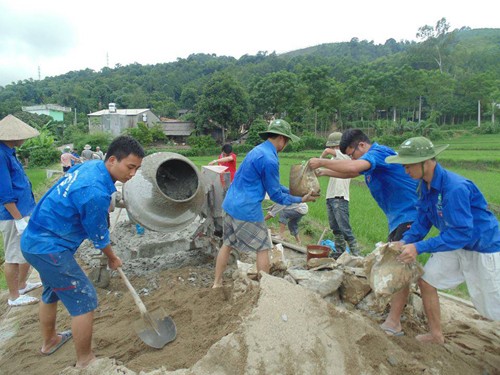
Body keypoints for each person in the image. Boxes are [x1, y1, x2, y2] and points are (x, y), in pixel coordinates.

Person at [21, 135, 145, 367]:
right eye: (130, 167)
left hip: (34, 240)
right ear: (111, 161)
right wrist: (113, 258)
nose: (132, 174)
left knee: (51, 292)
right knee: (85, 298)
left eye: (137, 168)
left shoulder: (90, 167)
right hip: (49, 248)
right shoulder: (95, 192)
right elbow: (98, 236)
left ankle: (50, 341)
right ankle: (85, 361)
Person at [384, 136, 500, 343]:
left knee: (494, 305)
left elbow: (462, 232)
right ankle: (436, 335)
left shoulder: (455, 188)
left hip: (482, 246)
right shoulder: (425, 186)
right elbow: (422, 220)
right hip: (456, 243)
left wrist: (419, 247)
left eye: (408, 166)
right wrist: (406, 241)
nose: (405, 171)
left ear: (426, 162)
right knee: (428, 280)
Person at [308, 129, 419, 336]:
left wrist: (322, 162)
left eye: (352, 153)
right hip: (399, 218)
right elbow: (352, 171)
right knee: (404, 265)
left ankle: (394, 322)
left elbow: (353, 166)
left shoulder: (378, 152)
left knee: (399, 265)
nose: (351, 158)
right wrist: (324, 172)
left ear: (361, 145)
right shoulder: (370, 160)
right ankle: (403, 311)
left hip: (410, 215)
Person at [212, 119, 317, 288]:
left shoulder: (257, 150)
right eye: (287, 141)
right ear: (282, 139)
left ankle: (216, 283)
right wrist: (300, 199)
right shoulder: (270, 159)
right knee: (263, 247)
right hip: (246, 209)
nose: (286, 145)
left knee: (227, 244)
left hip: (230, 204)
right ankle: (266, 290)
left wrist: (291, 191)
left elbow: (274, 186)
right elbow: (276, 195)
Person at [0, 115, 42, 307]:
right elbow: (5, 191)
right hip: (12, 214)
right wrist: (18, 219)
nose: (24, 139)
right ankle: (14, 296)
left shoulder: (10, 151)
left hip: (24, 209)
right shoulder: (1, 155)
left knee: (25, 250)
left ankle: (23, 284)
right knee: (12, 255)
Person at [318, 132, 360, 255]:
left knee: (345, 229)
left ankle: (356, 255)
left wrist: (328, 153)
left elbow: (344, 160)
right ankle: (340, 253)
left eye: (335, 147)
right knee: (336, 229)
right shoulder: (333, 159)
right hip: (330, 197)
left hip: (340, 197)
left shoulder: (347, 158)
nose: (333, 149)